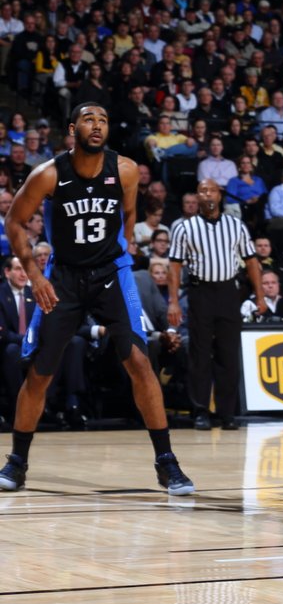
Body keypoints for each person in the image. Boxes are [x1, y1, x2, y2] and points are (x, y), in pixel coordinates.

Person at [0, 104, 194, 494]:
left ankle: (167, 462)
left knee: (140, 361)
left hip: (111, 273)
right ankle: (16, 462)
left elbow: (127, 216)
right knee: (40, 370)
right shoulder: (49, 173)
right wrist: (35, 276)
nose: (97, 125)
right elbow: (14, 221)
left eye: (103, 119)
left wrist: (117, 255)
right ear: (72, 129)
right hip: (64, 277)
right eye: (89, 119)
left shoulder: (124, 169)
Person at [167, 178, 266, 429]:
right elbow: (175, 267)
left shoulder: (237, 226)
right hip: (200, 293)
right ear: (197, 197)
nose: (207, 194)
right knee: (199, 355)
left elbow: (252, 262)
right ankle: (200, 411)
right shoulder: (184, 228)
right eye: (202, 191)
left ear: (219, 195)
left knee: (228, 355)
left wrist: (260, 295)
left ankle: (227, 414)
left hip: (228, 292)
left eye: (211, 190)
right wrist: (174, 302)